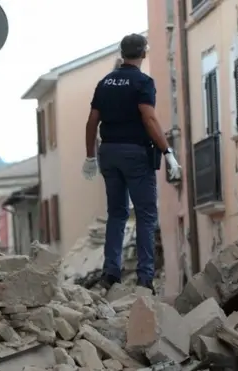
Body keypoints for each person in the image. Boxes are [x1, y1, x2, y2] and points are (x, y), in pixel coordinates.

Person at [81, 33, 181, 294]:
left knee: (116, 213)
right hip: (136, 153)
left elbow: (92, 121)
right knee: (146, 215)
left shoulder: (104, 83)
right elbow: (149, 118)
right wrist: (167, 152)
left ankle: (110, 274)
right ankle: (145, 278)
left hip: (109, 153)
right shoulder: (143, 82)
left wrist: (91, 156)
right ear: (144, 53)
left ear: (121, 53)